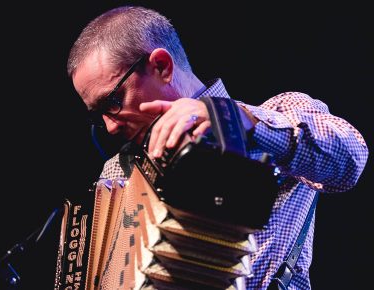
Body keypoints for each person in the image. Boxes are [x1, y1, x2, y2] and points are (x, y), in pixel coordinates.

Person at [66, 5, 368, 290]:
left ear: (161, 65)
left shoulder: (281, 111)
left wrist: (235, 119)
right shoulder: (120, 172)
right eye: (97, 114)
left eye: (112, 102)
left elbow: (351, 159)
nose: (110, 127)